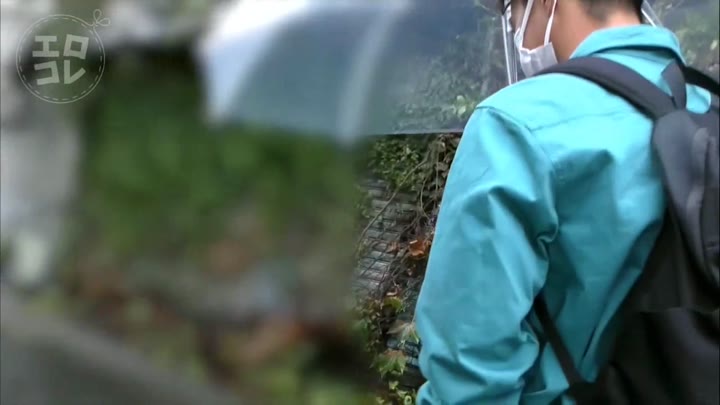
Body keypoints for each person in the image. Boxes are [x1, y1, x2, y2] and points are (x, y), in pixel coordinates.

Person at [413, 0, 713, 404]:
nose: (514, 29)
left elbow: (470, 377)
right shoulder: (707, 107)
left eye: (512, 11)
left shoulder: (515, 125)